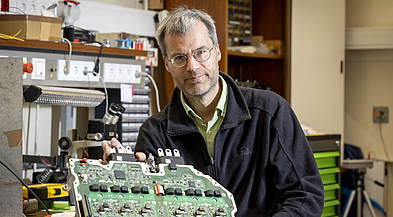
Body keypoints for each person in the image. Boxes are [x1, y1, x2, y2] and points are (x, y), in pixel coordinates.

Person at [102, 6, 324, 217]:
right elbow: (148, 207)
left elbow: (305, 193)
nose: (192, 66)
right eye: (180, 58)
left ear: (217, 51)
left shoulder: (269, 112)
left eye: (201, 52)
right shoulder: (155, 133)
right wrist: (122, 182)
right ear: (167, 64)